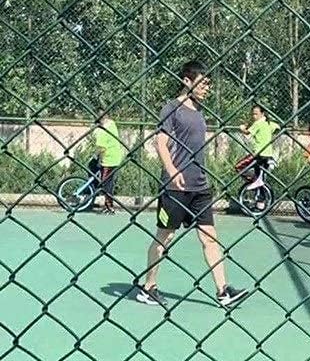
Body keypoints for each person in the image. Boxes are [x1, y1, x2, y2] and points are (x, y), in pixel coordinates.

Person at [137, 60, 248, 309]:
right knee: (165, 236)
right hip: (175, 187)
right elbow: (160, 143)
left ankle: (223, 291)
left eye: (209, 84)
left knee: (210, 238)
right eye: (203, 83)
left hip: (200, 187)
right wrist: (172, 171)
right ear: (187, 81)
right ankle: (148, 287)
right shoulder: (171, 108)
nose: (207, 88)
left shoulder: (199, 111)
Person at [93, 108, 126, 213]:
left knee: (106, 184)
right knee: (109, 183)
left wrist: (95, 155)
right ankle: (108, 205)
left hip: (108, 160)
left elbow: (101, 147)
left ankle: (109, 207)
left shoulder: (102, 131)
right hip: (115, 157)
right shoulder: (112, 124)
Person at [237, 104, 280, 181]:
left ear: (262, 114)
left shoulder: (257, 123)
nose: (254, 116)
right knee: (260, 173)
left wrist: (242, 128)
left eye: (256, 114)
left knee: (239, 166)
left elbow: (247, 132)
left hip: (258, 153)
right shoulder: (269, 123)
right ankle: (259, 183)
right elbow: (277, 127)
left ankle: (254, 180)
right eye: (253, 114)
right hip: (268, 154)